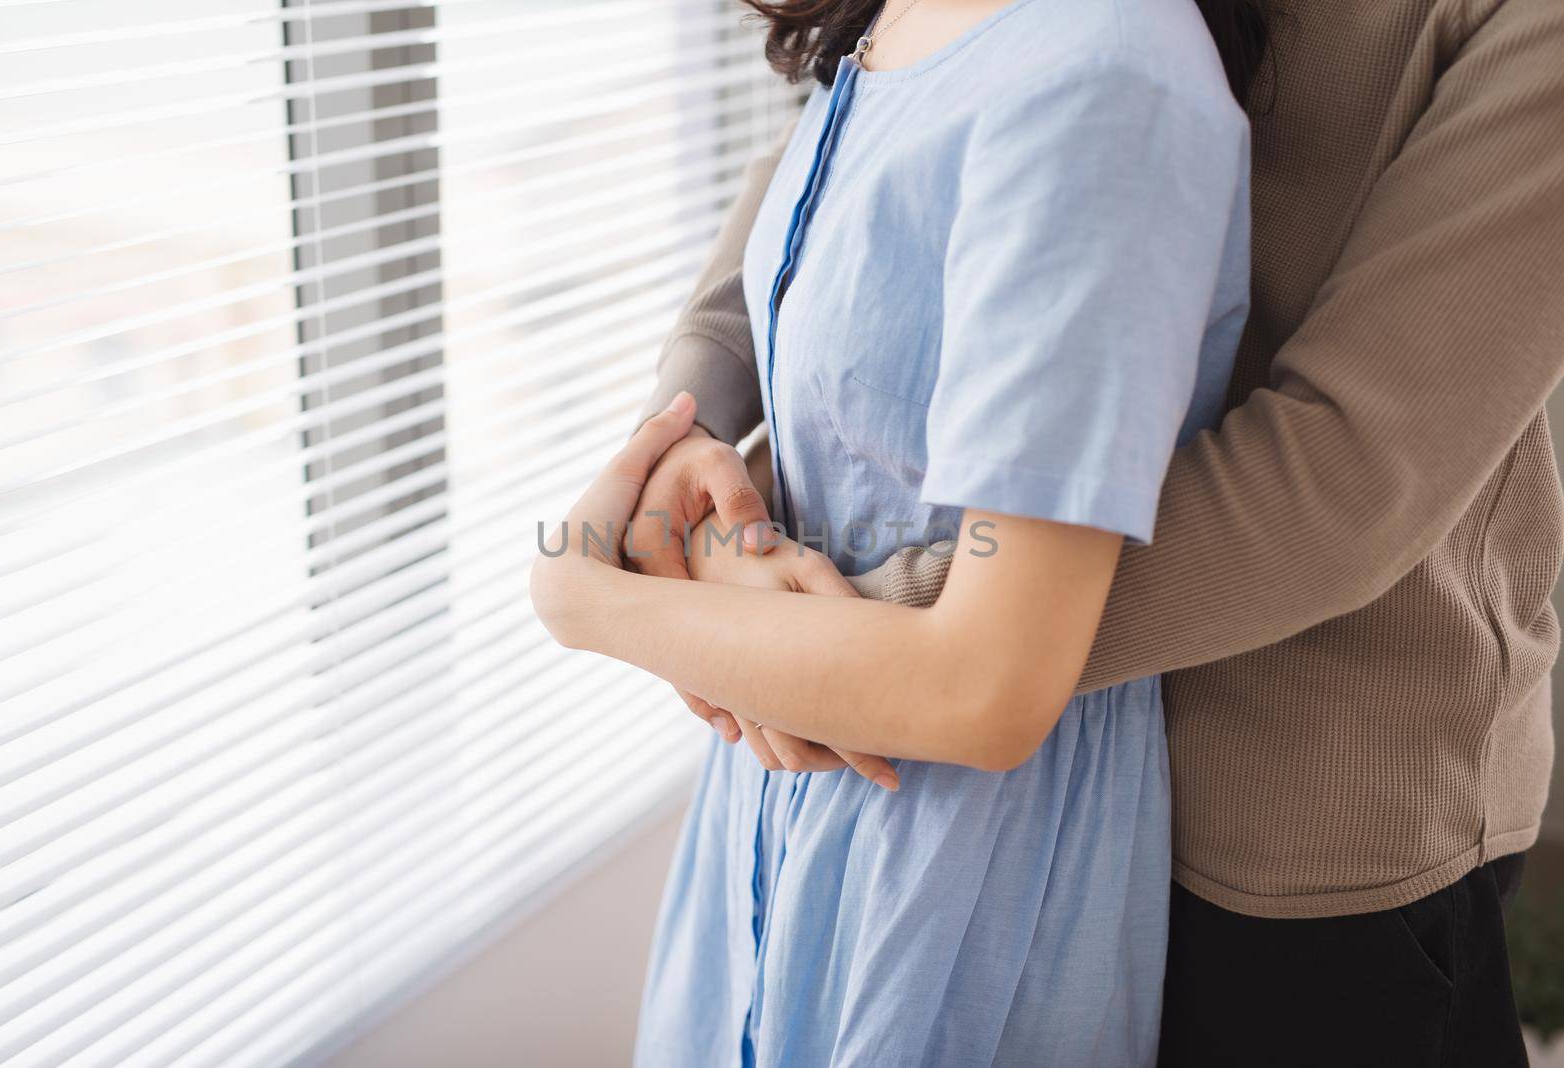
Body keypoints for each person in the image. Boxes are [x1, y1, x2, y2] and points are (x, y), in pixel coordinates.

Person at [626, 0, 1564, 1064]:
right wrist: (691, 440)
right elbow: (867, 138)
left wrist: (854, 621)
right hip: (938, 772)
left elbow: (1347, 472)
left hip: (1279, 817)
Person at [532, 0, 1253, 1063]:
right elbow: (843, 425)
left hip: (959, 868)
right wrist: (711, 513)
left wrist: (585, 598)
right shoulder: (897, 25)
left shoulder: (1104, 71)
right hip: (767, 815)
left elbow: (984, 686)